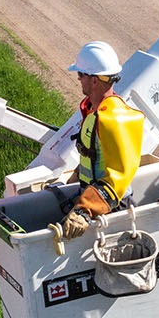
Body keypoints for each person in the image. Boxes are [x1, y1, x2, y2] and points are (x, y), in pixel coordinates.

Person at [58, 41, 144, 239]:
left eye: (80, 75)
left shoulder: (113, 119)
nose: (78, 79)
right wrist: (78, 175)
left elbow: (118, 178)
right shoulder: (95, 111)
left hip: (111, 207)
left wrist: (84, 209)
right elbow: (96, 155)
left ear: (94, 80)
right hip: (91, 198)